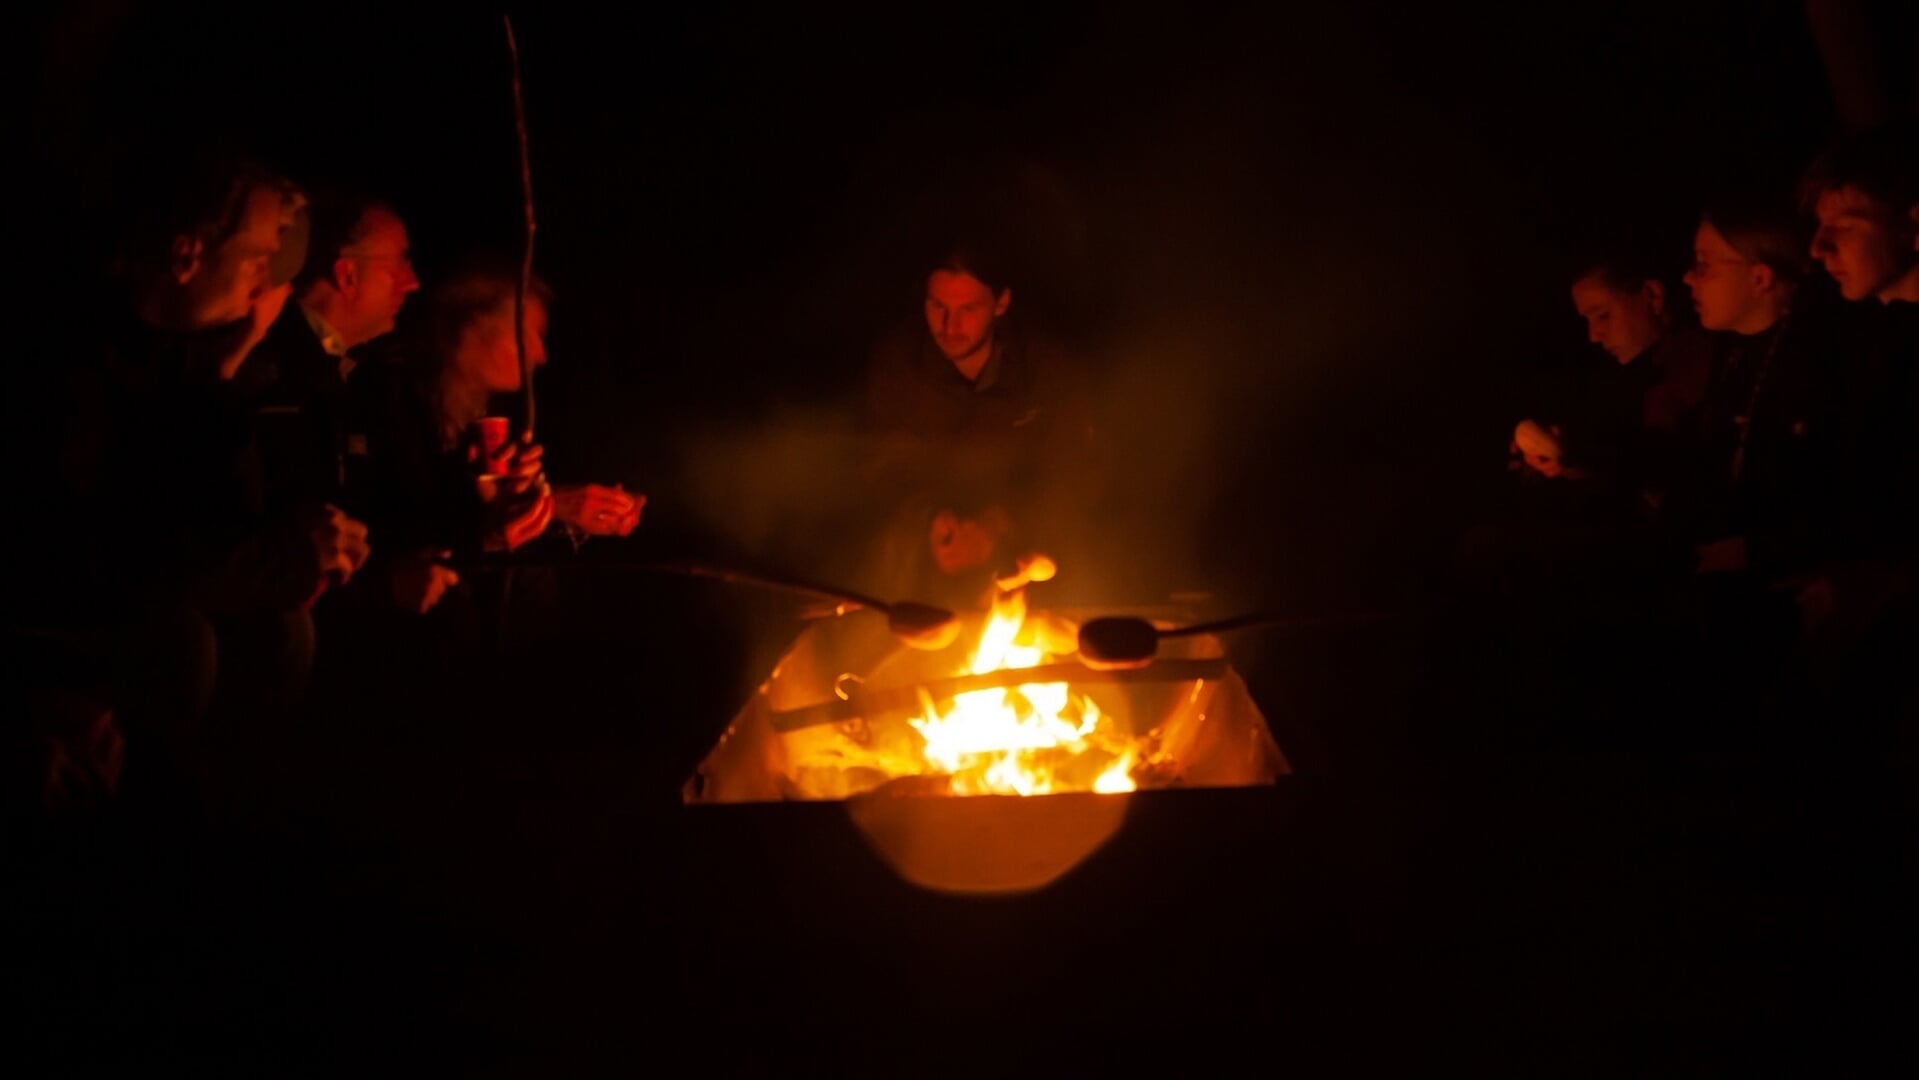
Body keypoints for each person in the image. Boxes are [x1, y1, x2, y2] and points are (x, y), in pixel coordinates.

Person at [20, 142, 371, 810]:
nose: (269, 283)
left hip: (112, 595)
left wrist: (224, 374)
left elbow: (216, 519)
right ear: (186, 255)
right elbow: (121, 557)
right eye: (259, 257)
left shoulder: (180, 361)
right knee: (183, 645)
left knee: (278, 633)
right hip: (53, 610)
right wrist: (287, 558)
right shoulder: (71, 365)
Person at [856, 240, 1102, 611]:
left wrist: (1002, 525)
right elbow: (882, 465)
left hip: (1031, 562)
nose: (949, 326)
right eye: (937, 306)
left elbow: (1076, 469)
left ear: (1000, 304)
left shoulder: (1044, 365)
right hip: (926, 568)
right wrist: (930, 521)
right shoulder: (900, 364)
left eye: (968, 309)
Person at [239, 188, 421, 519]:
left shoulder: (360, 375)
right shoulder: (268, 376)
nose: (413, 283)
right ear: (347, 275)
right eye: (399, 264)